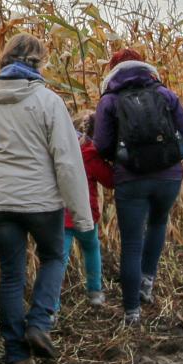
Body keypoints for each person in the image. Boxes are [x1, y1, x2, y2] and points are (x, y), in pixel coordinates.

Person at [0, 34, 90, 364]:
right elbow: (67, 162)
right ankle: (39, 322)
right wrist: (82, 216)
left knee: (12, 275)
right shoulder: (48, 101)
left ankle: (16, 356)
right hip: (41, 202)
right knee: (53, 257)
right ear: (39, 63)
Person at [93, 49, 183, 327]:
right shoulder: (165, 95)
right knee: (158, 223)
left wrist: (120, 159)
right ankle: (146, 282)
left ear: (113, 70)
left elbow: (102, 145)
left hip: (131, 179)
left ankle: (132, 312)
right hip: (168, 177)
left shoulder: (109, 100)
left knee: (131, 243)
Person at [66, 113, 114, 306]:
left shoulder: (62, 150)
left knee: (58, 259)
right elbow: (109, 180)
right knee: (91, 248)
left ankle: (51, 306)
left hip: (62, 214)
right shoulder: (91, 153)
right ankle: (94, 291)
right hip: (85, 213)